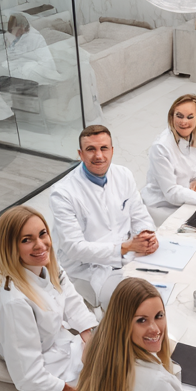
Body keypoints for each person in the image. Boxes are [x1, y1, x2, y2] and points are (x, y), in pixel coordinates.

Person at [0, 205, 97, 391]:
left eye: (42, 234)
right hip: (50, 369)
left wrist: (90, 342)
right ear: (9, 247)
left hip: (62, 345)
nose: (40, 245)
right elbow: (28, 376)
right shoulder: (14, 303)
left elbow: (72, 301)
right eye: (26, 240)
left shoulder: (44, 265)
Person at [50, 124, 158, 308]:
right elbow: (75, 248)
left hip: (129, 253)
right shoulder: (62, 193)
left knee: (163, 291)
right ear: (80, 153)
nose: (99, 156)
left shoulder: (123, 174)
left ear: (112, 150)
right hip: (88, 267)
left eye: (103, 148)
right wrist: (124, 247)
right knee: (130, 306)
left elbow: (139, 214)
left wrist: (146, 234)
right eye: (90, 149)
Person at [141, 94, 196, 226]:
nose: (183, 122)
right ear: (171, 116)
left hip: (189, 198)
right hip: (164, 207)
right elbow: (171, 193)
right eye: (179, 116)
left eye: (190, 117)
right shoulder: (161, 148)